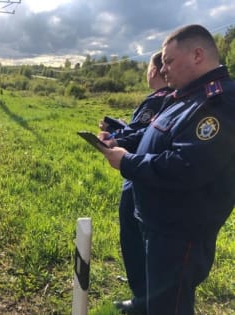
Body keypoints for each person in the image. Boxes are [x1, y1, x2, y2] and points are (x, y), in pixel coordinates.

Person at [99, 24, 235, 315]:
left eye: (169, 61)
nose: (164, 69)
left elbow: (187, 167)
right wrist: (119, 142)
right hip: (161, 222)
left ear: (198, 55)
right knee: (158, 299)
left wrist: (127, 162)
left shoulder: (219, 102)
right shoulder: (185, 96)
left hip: (180, 231)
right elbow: (154, 135)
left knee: (169, 306)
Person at [100, 51, 173, 315]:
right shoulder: (172, 99)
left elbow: (141, 134)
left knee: (134, 240)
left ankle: (142, 301)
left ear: (154, 71)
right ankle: (145, 299)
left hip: (140, 176)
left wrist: (117, 139)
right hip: (148, 174)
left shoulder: (159, 99)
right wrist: (119, 128)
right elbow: (144, 130)